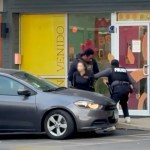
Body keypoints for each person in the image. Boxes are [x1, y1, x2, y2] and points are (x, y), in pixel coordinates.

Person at [94, 59, 138, 124]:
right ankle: (127, 118)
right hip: (126, 89)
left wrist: (92, 77)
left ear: (112, 65)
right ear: (118, 65)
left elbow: (98, 75)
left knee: (111, 104)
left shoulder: (111, 69)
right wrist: (136, 91)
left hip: (118, 89)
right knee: (124, 103)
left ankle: (113, 118)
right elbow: (132, 81)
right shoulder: (124, 70)